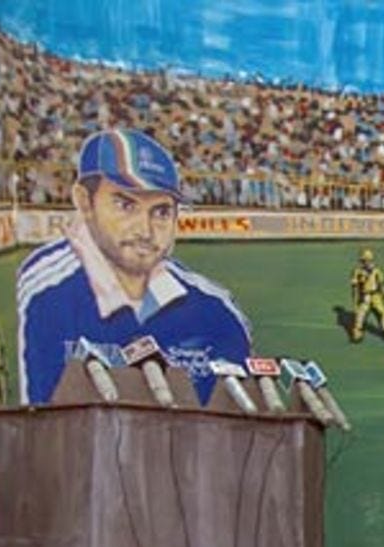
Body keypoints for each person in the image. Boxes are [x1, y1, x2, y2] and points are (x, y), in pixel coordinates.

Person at [16, 128, 251, 406]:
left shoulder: (217, 309)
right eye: (125, 205)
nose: (145, 230)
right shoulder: (49, 289)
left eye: (161, 212)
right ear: (84, 202)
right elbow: (44, 428)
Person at [349, 248, 384, 342]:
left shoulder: (376, 271)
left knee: (381, 313)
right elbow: (355, 286)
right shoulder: (358, 272)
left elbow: (381, 285)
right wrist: (355, 299)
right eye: (365, 260)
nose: (367, 262)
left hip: (375, 295)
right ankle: (357, 333)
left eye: (369, 260)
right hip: (364, 296)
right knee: (361, 315)